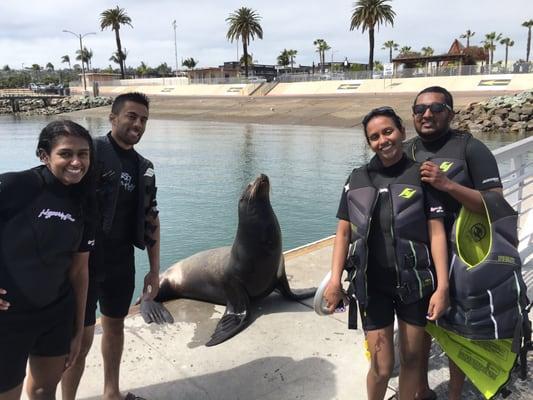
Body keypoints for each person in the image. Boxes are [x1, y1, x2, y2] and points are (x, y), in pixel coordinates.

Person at [324, 107, 450, 400]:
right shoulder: (356, 179)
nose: (383, 140)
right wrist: (334, 282)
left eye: (388, 132)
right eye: (374, 137)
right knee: (381, 367)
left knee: (411, 360)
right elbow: (343, 233)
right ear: (369, 143)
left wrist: (442, 286)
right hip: (373, 286)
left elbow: (437, 233)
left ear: (402, 132)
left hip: (415, 285)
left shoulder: (422, 175)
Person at [405, 86, 503, 400]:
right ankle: (421, 391)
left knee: (456, 331)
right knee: (417, 327)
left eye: (436, 107)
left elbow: (496, 203)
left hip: (462, 256)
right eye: (420, 109)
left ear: (450, 112)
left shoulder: (470, 149)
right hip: (418, 255)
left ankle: (455, 395)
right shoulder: (405, 151)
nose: (427, 114)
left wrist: (447, 184)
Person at [61, 92, 160, 400]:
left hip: (121, 262)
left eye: (143, 119)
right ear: (113, 118)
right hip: (83, 263)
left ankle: (111, 393)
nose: (138, 124)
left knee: (115, 328)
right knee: (81, 337)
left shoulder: (145, 166)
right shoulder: (89, 153)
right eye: (131, 116)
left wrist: (154, 270)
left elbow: (151, 216)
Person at [0, 120, 95, 400]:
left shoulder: (85, 200)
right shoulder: (16, 186)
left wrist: (78, 329)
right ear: (44, 155)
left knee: (44, 390)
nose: (76, 162)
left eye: (83, 153)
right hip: (8, 317)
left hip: (55, 315)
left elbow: (80, 270)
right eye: (66, 153)